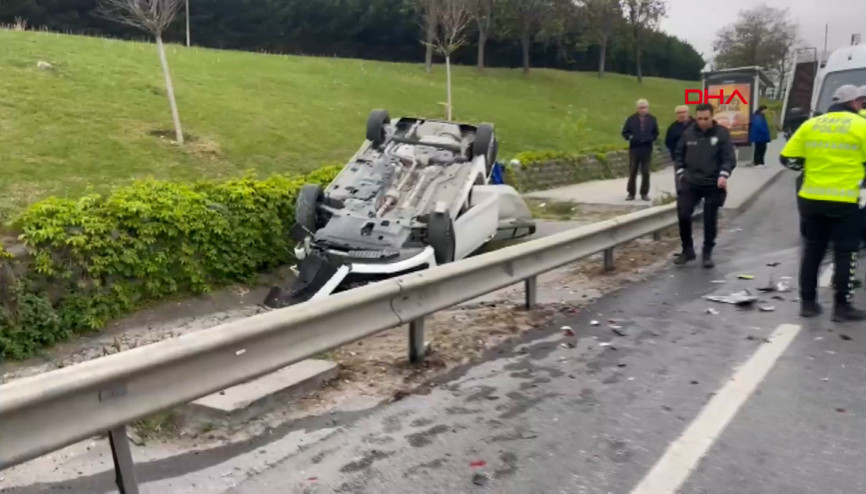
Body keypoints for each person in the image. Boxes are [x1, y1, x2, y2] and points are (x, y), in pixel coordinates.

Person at [780, 84, 866, 322]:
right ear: (854, 103)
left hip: (811, 199)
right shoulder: (862, 125)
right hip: (846, 200)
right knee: (845, 253)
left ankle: (808, 304)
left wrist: (807, 169)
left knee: (812, 251)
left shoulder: (811, 124)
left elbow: (787, 158)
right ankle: (841, 307)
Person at [673, 103, 736, 268]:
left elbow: (728, 157)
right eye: (699, 118)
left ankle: (707, 252)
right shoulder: (688, 134)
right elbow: (679, 154)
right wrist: (680, 172)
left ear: (712, 117)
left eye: (706, 118)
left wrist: (724, 174)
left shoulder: (721, 134)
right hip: (691, 181)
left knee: (709, 218)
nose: (702, 122)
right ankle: (687, 250)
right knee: (683, 213)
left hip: (713, 182)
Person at [621, 98, 659, 201]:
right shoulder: (631, 119)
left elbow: (656, 132)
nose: (643, 110)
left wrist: (651, 138)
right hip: (635, 148)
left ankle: (644, 193)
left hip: (647, 148)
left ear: (648, 108)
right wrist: (631, 137)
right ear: (637, 108)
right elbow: (625, 132)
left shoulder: (652, 119)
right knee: (633, 170)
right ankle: (631, 193)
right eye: (641, 108)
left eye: (645, 108)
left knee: (646, 171)